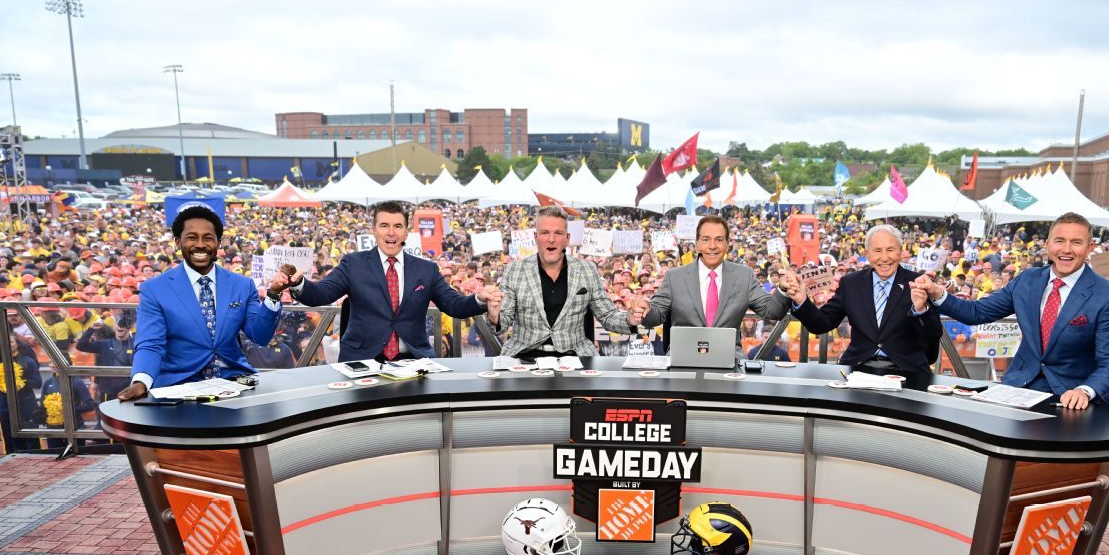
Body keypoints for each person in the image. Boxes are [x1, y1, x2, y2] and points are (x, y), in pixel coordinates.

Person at [912, 212, 1109, 409]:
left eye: (1076, 242)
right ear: (1048, 244)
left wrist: (1085, 391)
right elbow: (977, 313)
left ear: (1090, 248)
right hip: (1019, 388)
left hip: (1072, 398)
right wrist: (936, 292)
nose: (1066, 249)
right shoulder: (1028, 279)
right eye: (1060, 241)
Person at [285, 201, 501, 361]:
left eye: (398, 226)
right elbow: (320, 294)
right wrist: (298, 283)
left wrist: (479, 298)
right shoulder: (353, 264)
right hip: (363, 360)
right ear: (374, 230)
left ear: (406, 231)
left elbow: (454, 305)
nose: (391, 233)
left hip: (413, 360)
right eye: (384, 225)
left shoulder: (426, 269)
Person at [118, 204, 292, 400]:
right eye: (192, 237)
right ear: (177, 242)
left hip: (235, 381)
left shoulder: (242, 285)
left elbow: (259, 336)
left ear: (218, 243)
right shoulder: (155, 289)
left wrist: (274, 295)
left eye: (208, 238)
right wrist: (141, 381)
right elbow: (151, 344)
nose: (200, 245)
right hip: (180, 385)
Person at [781, 224, 943, 376]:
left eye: (890, 250)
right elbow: (822, 324)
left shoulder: (918, 283)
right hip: (859, 367)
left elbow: (934, 334)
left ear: (900, 252)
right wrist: (802, 300)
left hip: (907, 369)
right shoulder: (850, 283)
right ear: (867, 254)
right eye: (877, 251)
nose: (884, 258)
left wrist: (920, 311)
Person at [489, 206, 640, 358]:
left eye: (558, 233)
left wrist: (629, 319)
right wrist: (495, 317)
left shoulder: (587, 270)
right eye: (545, 232)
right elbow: (503, 322)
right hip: (524, 355)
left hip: (575, 355)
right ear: (536, 237)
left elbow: (608, 316)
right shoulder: (514, 270)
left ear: (567, 239)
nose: (551, 239)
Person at [634, 215, 790, 335]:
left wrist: (782, 290)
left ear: (727, 244)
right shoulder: (674, 277)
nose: (713, 246)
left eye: (719, 240)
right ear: (697, 244)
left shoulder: (745, 276)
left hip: (730, 358)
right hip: (684, 357)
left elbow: (772, 311)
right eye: (706, 239)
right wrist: (646, 309)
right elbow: (655, 316)